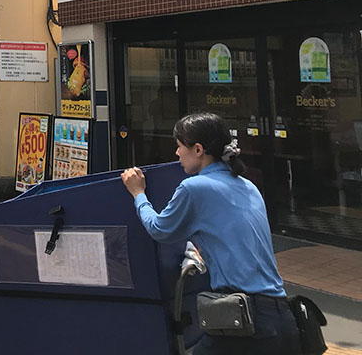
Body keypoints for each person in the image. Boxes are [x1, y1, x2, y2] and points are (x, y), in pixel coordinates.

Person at [121, 112, 299, 355]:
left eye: (179, 146)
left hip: (245, 320)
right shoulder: (248, 186)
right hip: (283, 317)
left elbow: (160, 229)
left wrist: (138, 193)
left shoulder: (195, 188)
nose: (176, 153)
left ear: (198, 149)